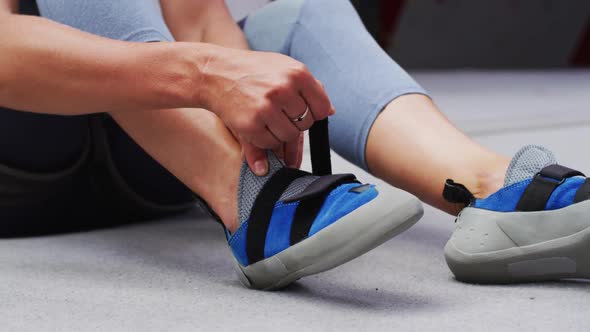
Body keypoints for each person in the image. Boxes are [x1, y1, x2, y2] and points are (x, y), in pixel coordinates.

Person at [1, 0, 589, 288]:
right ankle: (247, 196)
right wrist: (205, 75)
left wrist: (248, 94)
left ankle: (487, 187)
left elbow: (202, 19)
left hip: (157, 167)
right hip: (23, 161)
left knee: (296, 7)